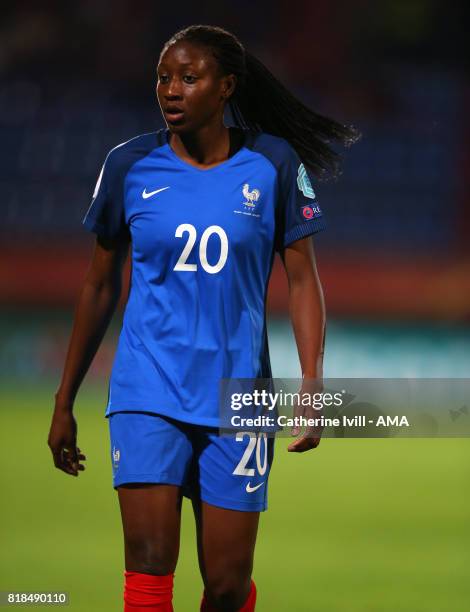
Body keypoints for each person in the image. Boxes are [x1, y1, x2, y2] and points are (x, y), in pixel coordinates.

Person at [47, 24, 358, 612]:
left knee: (226, 584)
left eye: (189, 78)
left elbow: (302, 281)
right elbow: (98, 285)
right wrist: (65, 399)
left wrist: (313, 386)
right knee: (147, 560)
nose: (170, 90)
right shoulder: (129, 165)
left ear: (225, 88)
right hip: (147, 387)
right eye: (164, 77)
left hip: (240, 395)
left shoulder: (272, 164)